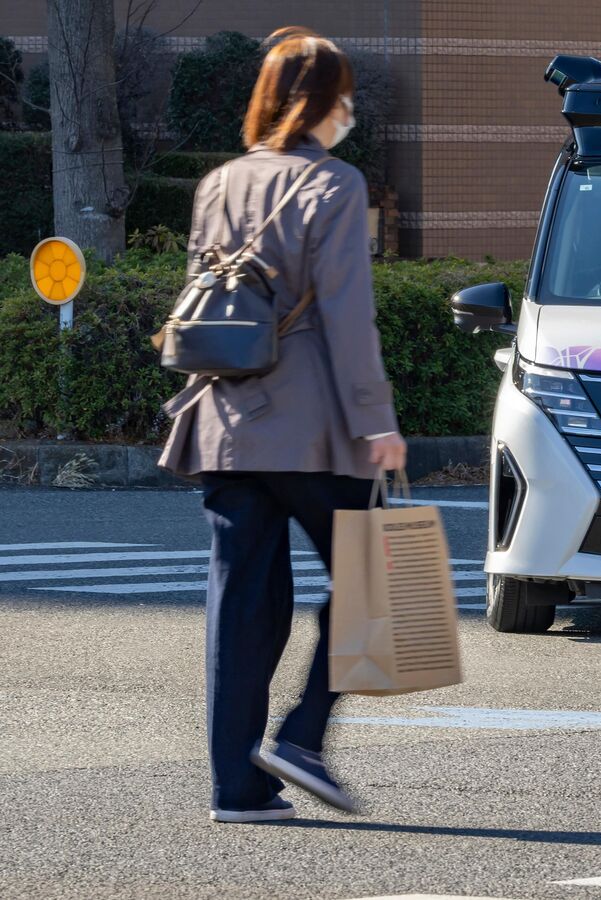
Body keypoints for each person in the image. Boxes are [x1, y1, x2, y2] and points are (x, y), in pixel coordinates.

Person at [157, 26, 406, 823]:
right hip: (311, 429)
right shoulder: (333, 186)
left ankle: (237, 786)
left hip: (226, 422)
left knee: (241, 603)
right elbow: (346, 317)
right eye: (345, 97)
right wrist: (379, 423)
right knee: (377, 579)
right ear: (324, 102)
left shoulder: (218, 183)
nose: (350, 111)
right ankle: (302, 736)